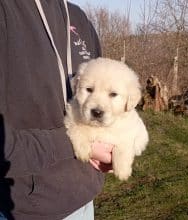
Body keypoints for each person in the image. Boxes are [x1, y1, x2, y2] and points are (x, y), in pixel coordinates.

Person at [0, 0, 113, 219]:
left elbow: (106, 95)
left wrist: (113, 143)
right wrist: (81, 142)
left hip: (85, 201)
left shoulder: (78, 17)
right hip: (27, 209)